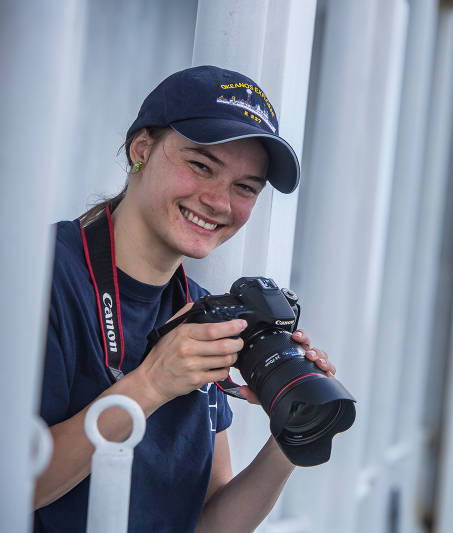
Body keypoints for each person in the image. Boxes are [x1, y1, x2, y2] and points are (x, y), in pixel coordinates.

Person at [33, 65, 334, 532]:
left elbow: (210, 524)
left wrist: (292, 432)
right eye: (201, 166)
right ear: (141, 150)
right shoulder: (38, 274)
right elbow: (14, 485)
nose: (219, 201)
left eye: (245, 187)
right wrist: (151, 384)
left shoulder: (203, 315)